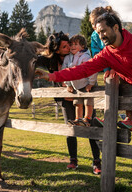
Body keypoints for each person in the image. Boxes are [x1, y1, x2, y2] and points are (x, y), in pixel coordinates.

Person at [35, 10, 132, 192]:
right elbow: (82, 70)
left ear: (116, 27)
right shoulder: (107, 55)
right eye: (97, 32)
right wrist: (52, 76)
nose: (100, 35)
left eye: (103, 31)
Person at [36, 31, 102, 174]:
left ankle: (97, 161)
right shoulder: (51, 59)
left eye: (70, 45)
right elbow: (35, 60)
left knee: (91, 127)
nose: (69, 47)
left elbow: (89, 68)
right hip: (66, 99)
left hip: (84, 94)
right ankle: (73, 160)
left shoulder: (78, 55)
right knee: (70, 129)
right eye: (65, 46)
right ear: (57, 49)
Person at [89, 6, 132, 131]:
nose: (94, 26)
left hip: (123, 65)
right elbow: (97, 53)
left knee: (126, 87)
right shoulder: (94, 36)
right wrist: (106, 69)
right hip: (109, 66)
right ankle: (109, 117)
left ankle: (129, 119)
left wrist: (116, 68)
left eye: (95, 23)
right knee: (109, 86)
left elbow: (120, 50)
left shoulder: (116, 30)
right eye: (92, 24)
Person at [62, 34, 97, 127]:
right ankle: (78, 119)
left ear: (82, 46)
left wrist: (91, 83)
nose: (73, 46)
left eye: (76, 44)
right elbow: (65, 72)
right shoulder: (67, 58)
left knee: (88, 102)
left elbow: (92, 70)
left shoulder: (85, 57)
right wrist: (68, 84)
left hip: (87, 84)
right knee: (77, 103)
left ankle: (87, 118)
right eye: (71, 44)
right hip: (76, 85)